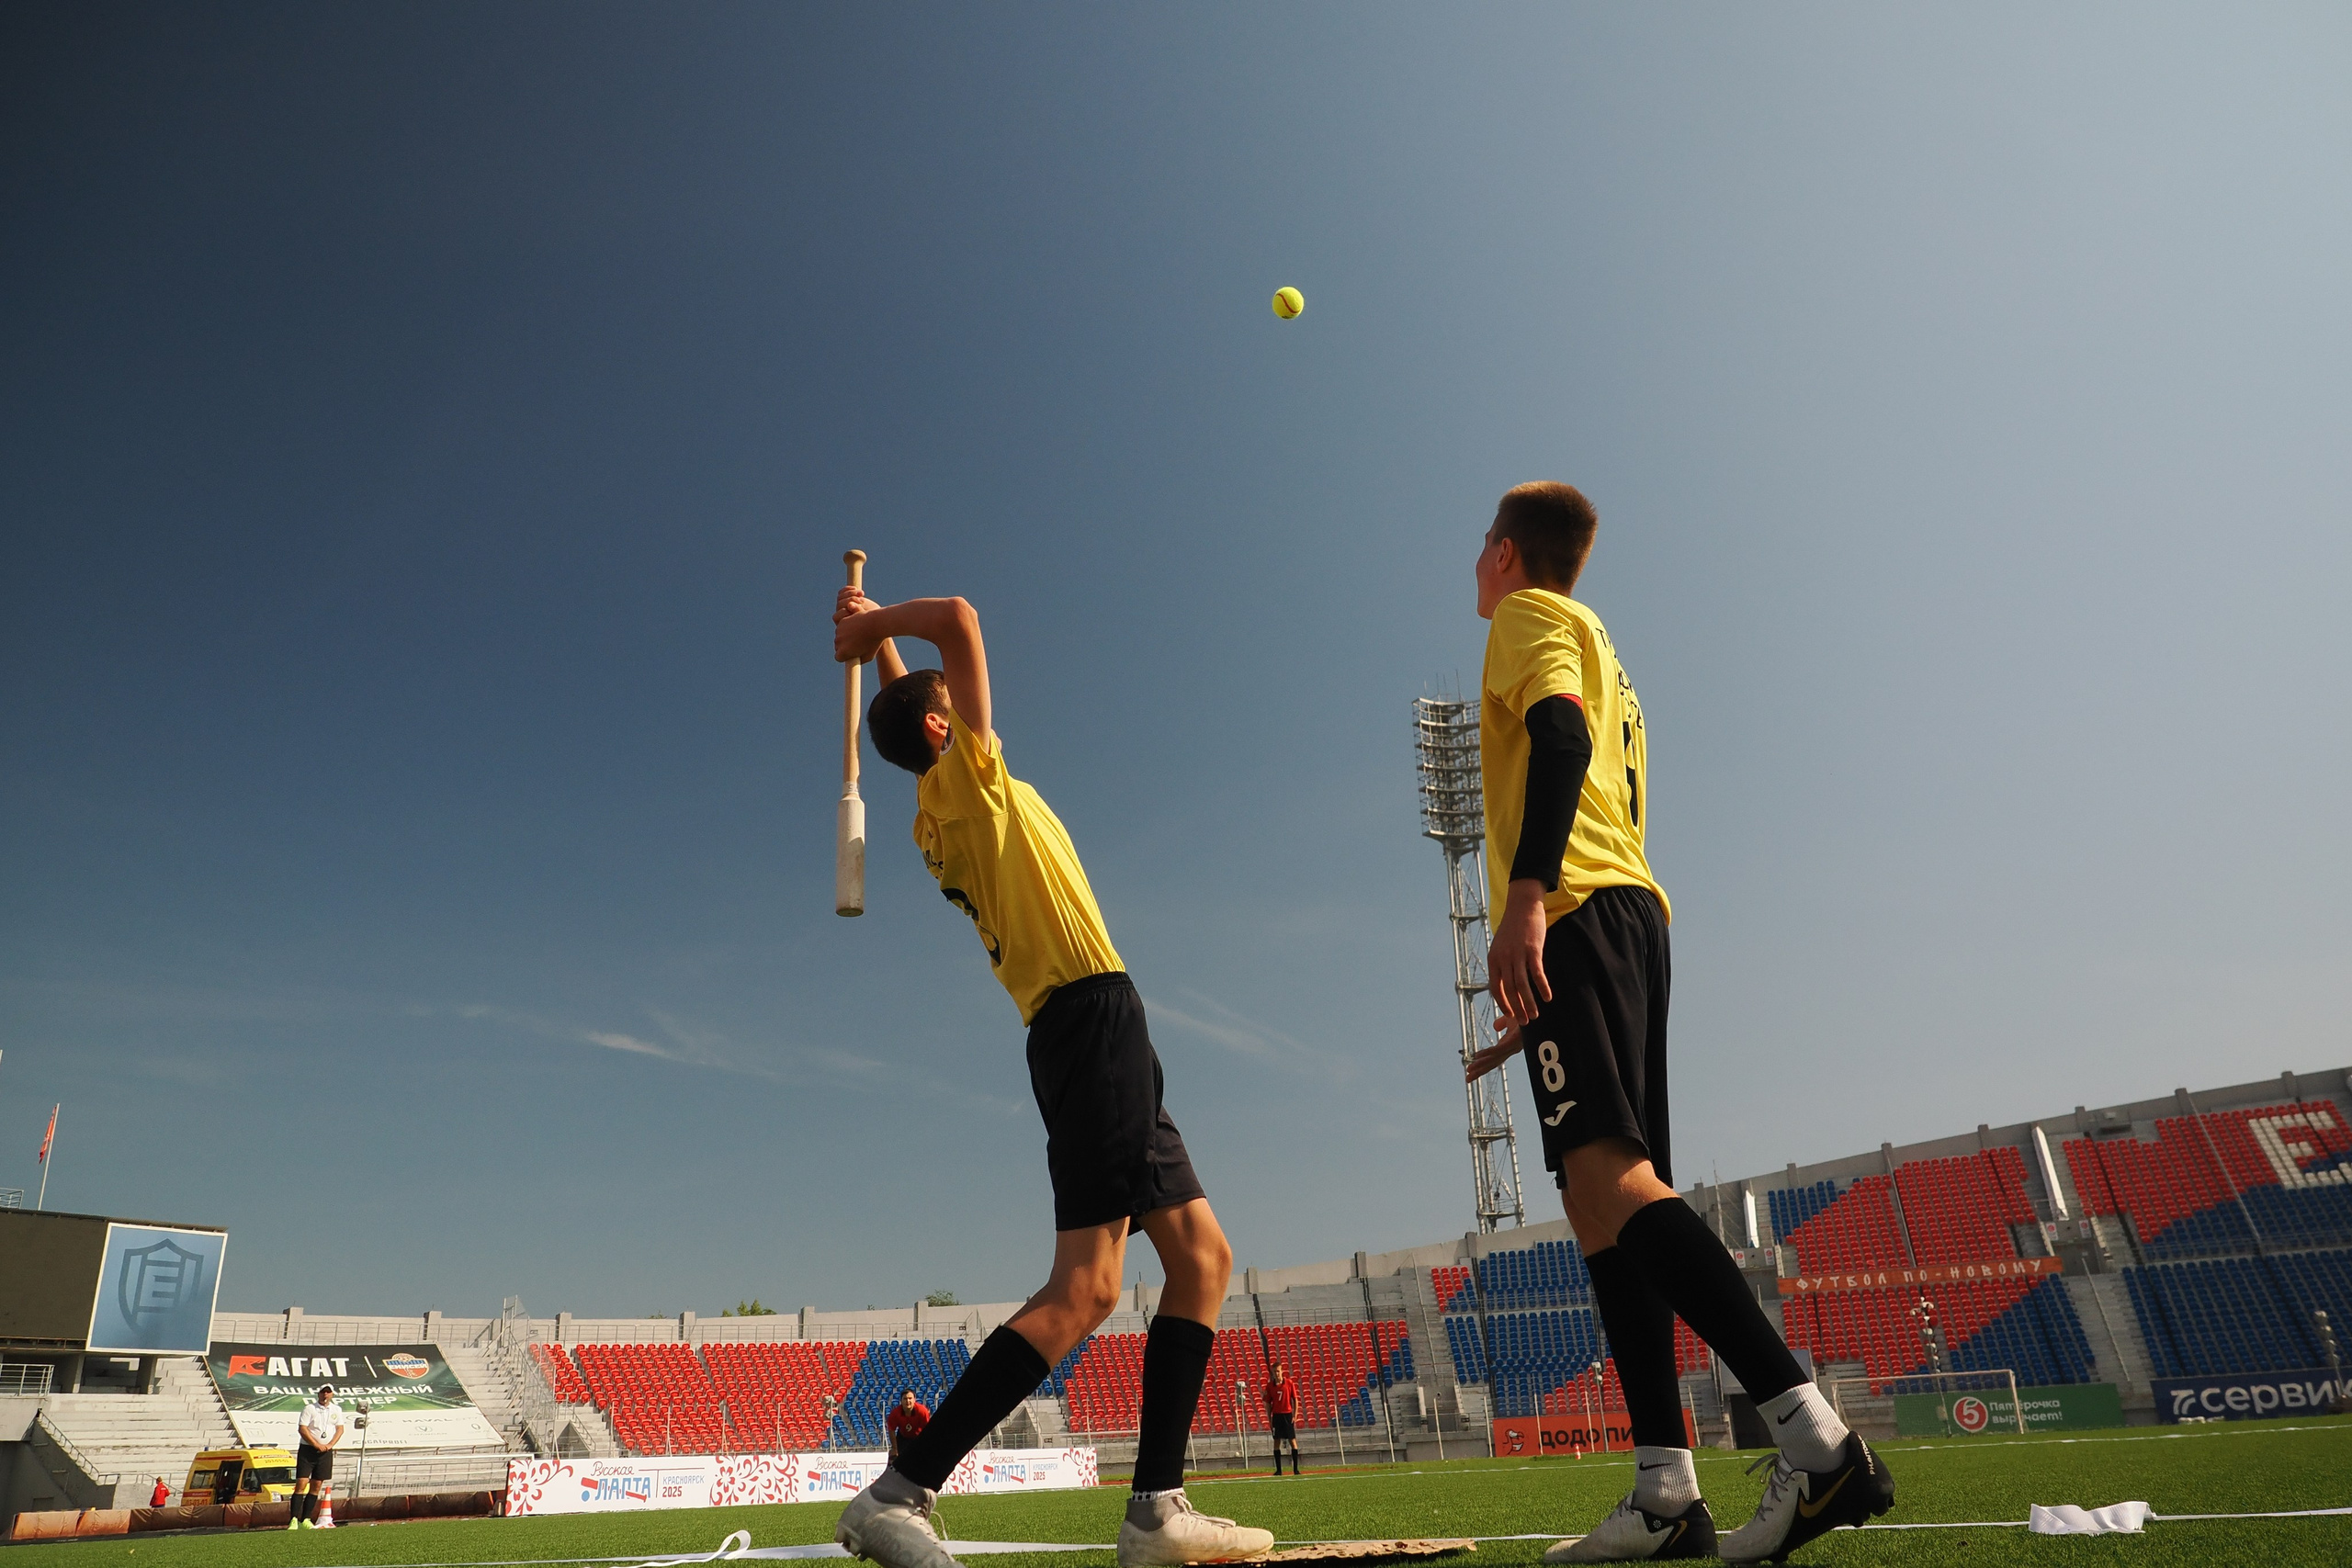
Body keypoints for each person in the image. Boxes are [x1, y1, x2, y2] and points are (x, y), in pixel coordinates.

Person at [1462, 484, 1894, 1563]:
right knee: (1594, 1200)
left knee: (1610, 1184)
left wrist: (1524, 902)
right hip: (1626, 917)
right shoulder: (1601, 640)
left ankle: (1816, 1442)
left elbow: (1556, 741)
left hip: (1577, 910)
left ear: (1506, 555)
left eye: (1481, 548)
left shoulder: (1528, 619)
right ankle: (1664, 1493)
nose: (1476, 566)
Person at [830, 586, 1272, 1568]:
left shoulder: (939, 806)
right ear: (949, 726)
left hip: (1096, 1024)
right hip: (1087, 1020)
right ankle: (900, 1493)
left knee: (1199, 1258)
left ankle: (1156, 1510)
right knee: (1086, 1287)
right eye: (955, 709)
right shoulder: (968, 784)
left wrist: (880, 645)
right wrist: (883, 629)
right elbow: (960, 617)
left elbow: (921, 699)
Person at [288, 1382, 344, 1529]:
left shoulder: (336, 1409)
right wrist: (315, 1444)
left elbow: (340, 1428)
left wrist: (330, 1444)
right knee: (301, 1483)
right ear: (318, 1393)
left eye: (328, 1392)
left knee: (317, 1485)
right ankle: (293, 1519)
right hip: (308, 1450)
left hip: (325, 1452)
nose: (325, 1395)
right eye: (323, 1392)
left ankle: (305, 1519)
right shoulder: (310, 1408)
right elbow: (302, 1428)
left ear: (332, 1394)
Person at [1262, 1363, 1300, 1476]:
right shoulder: (1270, 1386)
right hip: (1277, 1416)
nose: (1276, 1374)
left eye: (1278, 1371)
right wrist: (1269, 1418)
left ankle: (1296, 1469)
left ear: (1282, 1371)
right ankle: (1279, 1470)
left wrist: (1295, 1415)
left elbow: (1295, 1399)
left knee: (1292, 1441)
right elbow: (1268, 1403)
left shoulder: (1289, 1383)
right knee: (1276, 1441)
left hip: (1287, 1415)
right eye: (1274, 1372)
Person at [885, 1389, 932, 1461]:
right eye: (905, 1399)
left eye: (910, 1398)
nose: (908, 1401)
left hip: (918, 1437)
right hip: (903, 1438)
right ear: (901, 1400)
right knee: (895, 1456)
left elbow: (927, 1429)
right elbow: (891, 1430)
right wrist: (895, 1448)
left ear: (914, 1400)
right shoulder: (895, 1413)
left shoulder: (922, 1411)